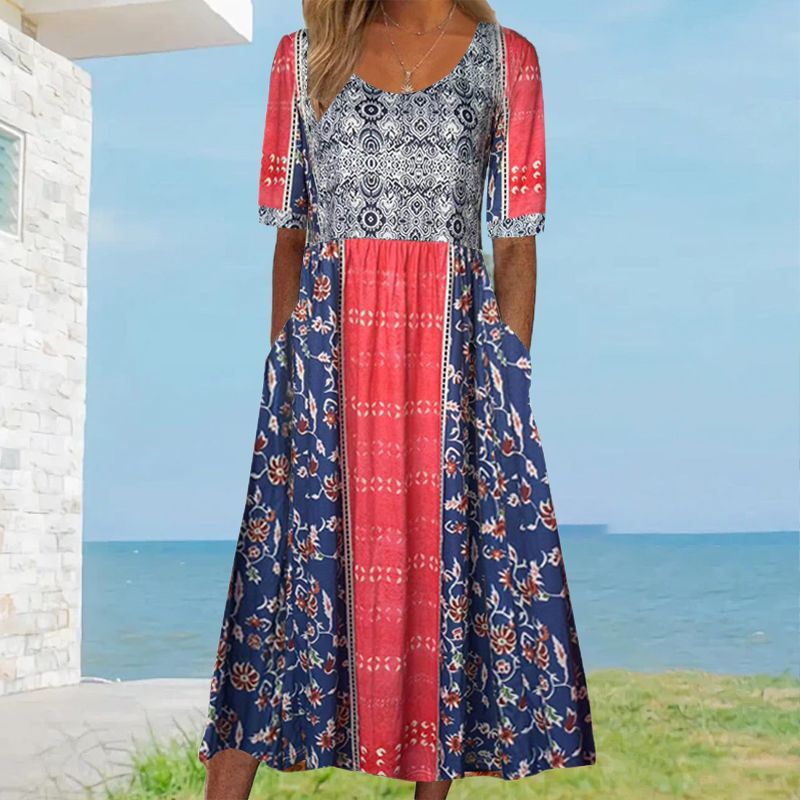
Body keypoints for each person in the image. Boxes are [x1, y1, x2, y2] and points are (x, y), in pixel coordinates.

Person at [197, 1, 597, 798]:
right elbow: (290, 235)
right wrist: (286, 369)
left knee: (442, 584)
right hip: (325, 359)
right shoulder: (302, 57)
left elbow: (515, 242)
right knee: (277, 590)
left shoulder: (507, 60)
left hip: (453, 362)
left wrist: (507, 381)